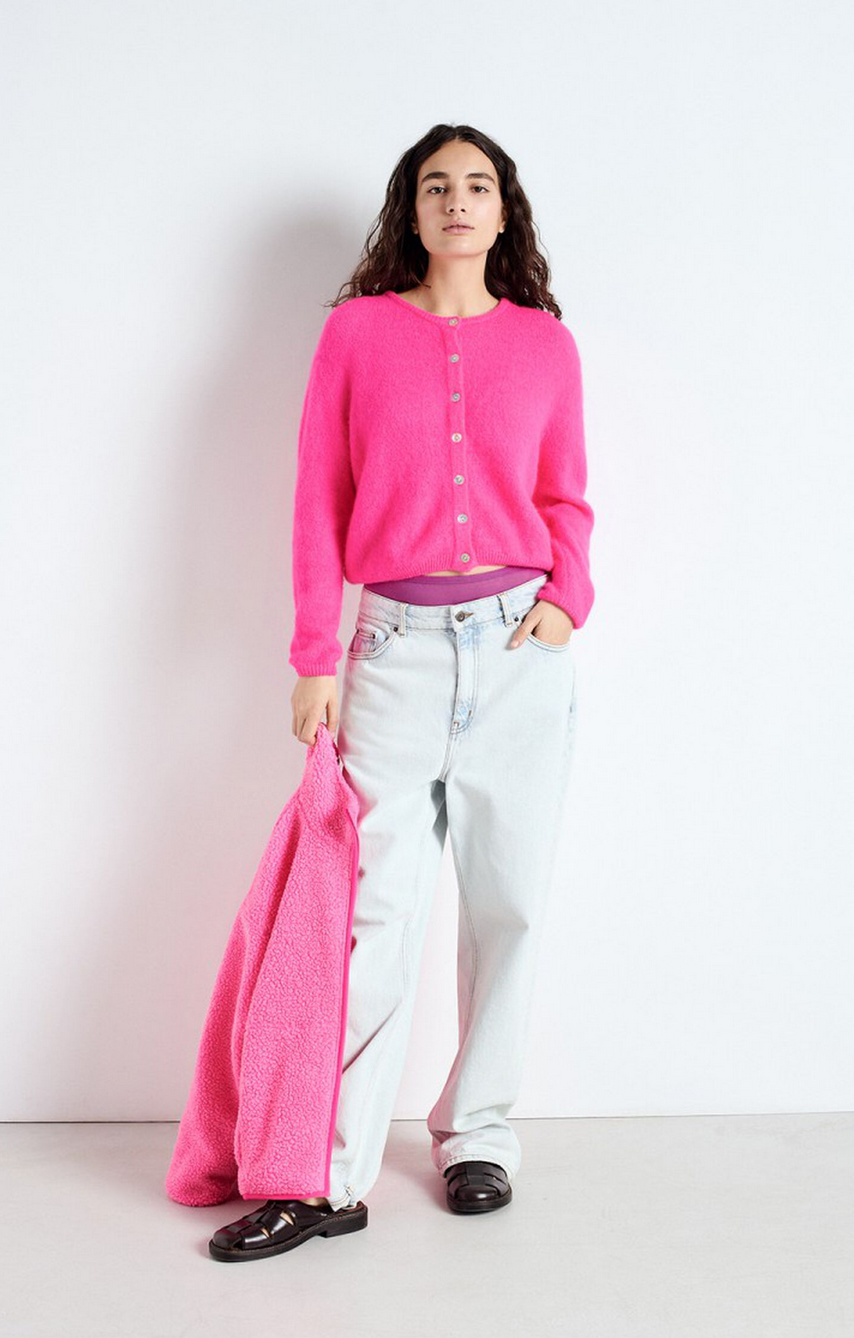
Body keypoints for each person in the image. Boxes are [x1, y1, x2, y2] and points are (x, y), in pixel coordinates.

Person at [209, 122, 595, 1262]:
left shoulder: (545, 345)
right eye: (437, 186)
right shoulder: (357, 334)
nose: (457, 202)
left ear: (503, 210)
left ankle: (477, 1135)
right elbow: (317, 497)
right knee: (373, 914)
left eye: (477, 185)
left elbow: (567, 496)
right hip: (391, 652)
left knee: (508, 904)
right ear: (411, 210)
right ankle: (327, 1177)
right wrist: (312, 656)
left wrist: (567, 598)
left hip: (519, 650)